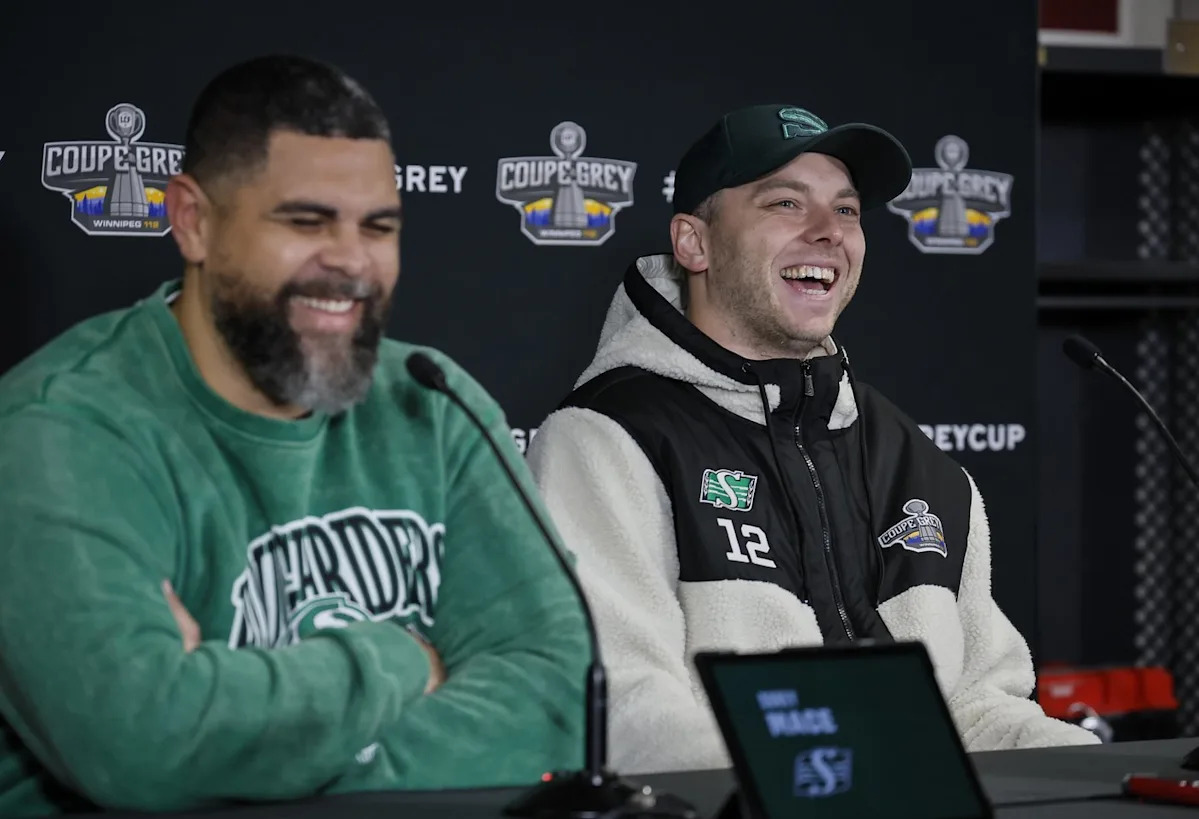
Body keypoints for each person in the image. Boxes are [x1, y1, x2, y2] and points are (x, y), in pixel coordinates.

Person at [0, 55, 588, 816]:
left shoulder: (432, 402)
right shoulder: (59, 429)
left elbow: (561, 694)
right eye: (305, 222)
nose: (350, 260)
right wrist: (402, 660)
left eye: (378, 227)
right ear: (193, 220)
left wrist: (241, 757)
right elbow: (144, 743)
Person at [526, 103, 1098, 775]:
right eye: (786, 204)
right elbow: (622, 713)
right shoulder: (605, 440)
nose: (829, 232)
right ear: (693, 243)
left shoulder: (921, 467)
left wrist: (1094, 776)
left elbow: (977, 709)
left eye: (846, 210)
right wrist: (848, 782)